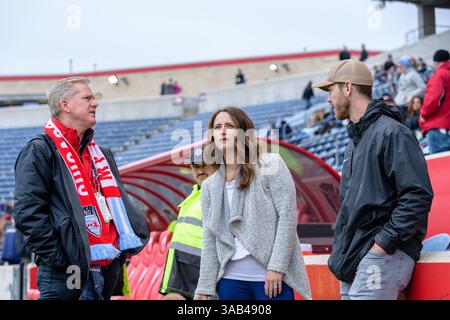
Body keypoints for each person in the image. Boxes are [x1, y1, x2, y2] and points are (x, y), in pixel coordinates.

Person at [13, 77, 150, 300]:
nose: (94, 103)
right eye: (87, 98)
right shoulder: (39, 150)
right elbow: (28, 213)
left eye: (94, 98)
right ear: (64, 105)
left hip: (105, 269)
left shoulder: (100, 154)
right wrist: (62, 259)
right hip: (66, 273)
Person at [312, 59, 433, 300]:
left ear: (347, 88)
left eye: (330, 90)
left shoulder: (392, 132)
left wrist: (382, 244)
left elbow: (417, 196)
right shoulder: (354, 142)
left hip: (380, 254)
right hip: (353, 257)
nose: (328, 98)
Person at [194, 107, 311, 300]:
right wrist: (204, 287)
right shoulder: (209, 186)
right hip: (230, 283)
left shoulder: (270, 164)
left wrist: (277, 267)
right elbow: (209, 239)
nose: (222, 131)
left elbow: (287, 217)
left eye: (229, 126)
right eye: (217, 127)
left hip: (270, 280)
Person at [159, 147, 218, 300]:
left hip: (202, 269)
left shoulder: (220, 195)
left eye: (205, 165)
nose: (200, 171)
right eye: (195, 166)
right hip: (180, 266)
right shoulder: (194, 194)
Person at [419, 49, 450, 154]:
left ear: (436, 62)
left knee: (441, 167)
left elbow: (433, 100)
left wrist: (423, 113)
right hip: (445, 126)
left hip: (439, 128)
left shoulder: (439, 75)